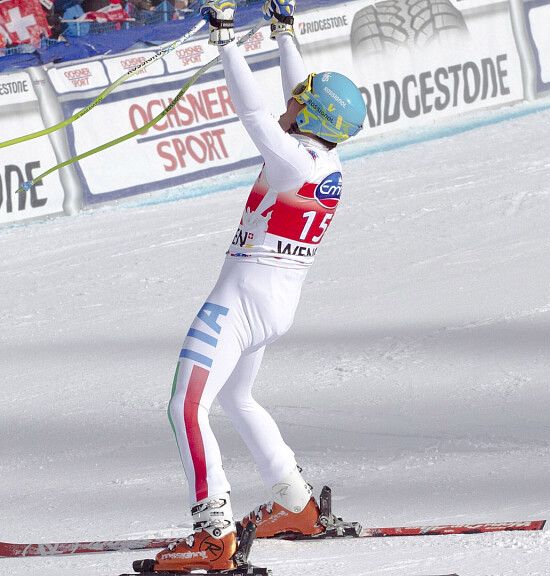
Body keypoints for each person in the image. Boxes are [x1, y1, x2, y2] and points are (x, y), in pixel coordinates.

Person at [151, 0, 367, 572]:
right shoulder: (323, 160)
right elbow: (304, 97)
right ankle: (296, 504)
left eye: (298, 103)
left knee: (185, 406)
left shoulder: (291, 159)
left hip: (240, 300)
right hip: (275, 302)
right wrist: (284, 33)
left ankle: (213, 533)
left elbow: (253, 113)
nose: (288, 102)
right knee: (236, 398)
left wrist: (225, 40)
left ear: (309, 116)